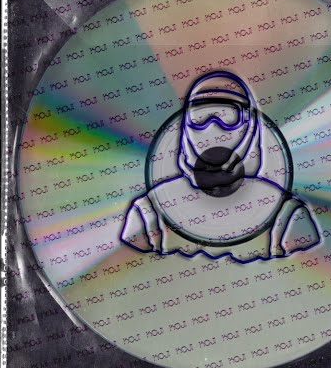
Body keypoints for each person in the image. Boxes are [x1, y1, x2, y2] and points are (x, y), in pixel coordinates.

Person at [121, 71, 319, 261]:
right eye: (199, 118)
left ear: (251, 128)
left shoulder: (288, 213)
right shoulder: (147, 210)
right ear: (184, 128)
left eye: (230, 117)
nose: (214, 125)